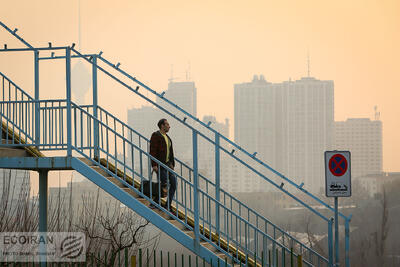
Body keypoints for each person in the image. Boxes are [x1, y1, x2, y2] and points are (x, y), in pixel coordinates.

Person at [149, 118, 177, 210]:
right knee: (164, 182)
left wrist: (172, 163)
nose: (169, 126)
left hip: (168, 165)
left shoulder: (168, 138)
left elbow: (171, 152)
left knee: (173, 183)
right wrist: (154, 164)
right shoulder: (156, 135)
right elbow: (152, 151)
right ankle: (154, 202)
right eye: (167, 124)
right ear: (162, 125)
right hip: (160, 164)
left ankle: (167, 205)